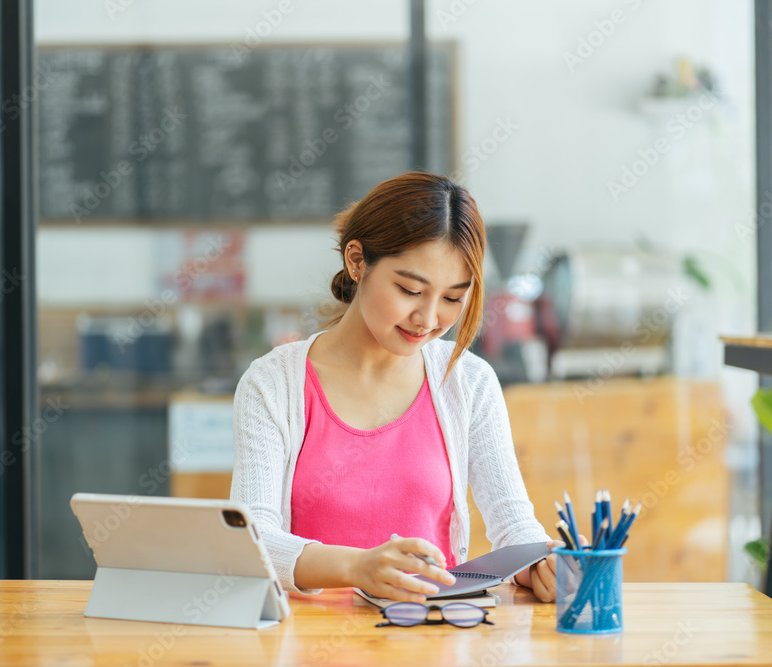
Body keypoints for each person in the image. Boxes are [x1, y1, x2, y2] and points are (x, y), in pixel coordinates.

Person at [231, 172, 561, 603]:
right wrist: (358, 568)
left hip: (430, 638)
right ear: (356, 261)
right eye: (410, 290)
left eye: (452, 298)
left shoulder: (469, 382)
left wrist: (541, 562)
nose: (428, 319)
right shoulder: (273, 384)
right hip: (308, 645)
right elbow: (252, 542)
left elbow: (514, 524)